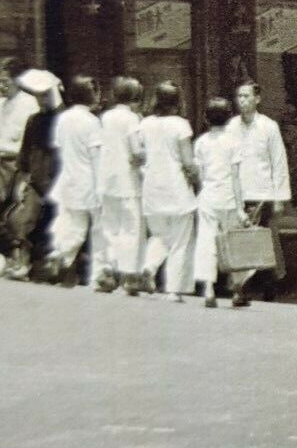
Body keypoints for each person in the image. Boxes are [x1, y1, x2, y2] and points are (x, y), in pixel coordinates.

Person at [226, 81, 290, 299]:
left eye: (246, 96)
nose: (242, 100)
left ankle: (270, 285)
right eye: (239, 96)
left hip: (264, 193)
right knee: (242, 241)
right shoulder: (231, 126)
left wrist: (280, 197)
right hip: (239, 193)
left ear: (257, 99)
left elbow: (278, 162)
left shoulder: (269, 127)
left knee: (267, 241)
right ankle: (241, 287)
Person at [136, 81, 198, 302]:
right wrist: (197, 179)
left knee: (159, 235)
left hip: (152, 188)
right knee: (180, 240)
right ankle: (173, 288)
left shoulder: (145, 124)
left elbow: (139, 155)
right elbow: (188, 162)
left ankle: (149, 267)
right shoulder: (181, 125)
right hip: (177, 188)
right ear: (178, 101)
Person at [45, 75, 102, 286]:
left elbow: (59, 148)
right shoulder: (92, 122)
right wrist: (100, 186)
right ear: (92, 95)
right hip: (86, 180)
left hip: (66, 177)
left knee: (65, 221)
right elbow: (96, 156)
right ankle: (60, 254)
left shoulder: (63, 119)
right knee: (79, 228)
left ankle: (59, 255)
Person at [193, 97, 248, 308]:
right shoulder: (234, 141)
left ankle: (208, 289)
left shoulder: (201, 143)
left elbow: (199, 174)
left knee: (207, 242)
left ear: (206, 118)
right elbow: (235, 177)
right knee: (232, 243)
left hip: (208, 197)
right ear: (229, 118)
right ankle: (236, 289)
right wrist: (240, 206)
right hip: (228, 199)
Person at [6, 70, 59, 280]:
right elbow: (25, 153)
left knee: (51, 226)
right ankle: (23, 262)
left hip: (55, 179)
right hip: (37, 179)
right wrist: (22, 179)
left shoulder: (61, 118)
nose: (41, 100)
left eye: (44, 95)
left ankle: (49, 267)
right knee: (24, 222)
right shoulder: (33, 120)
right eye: (38, 95)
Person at [94, 76, 143, 294]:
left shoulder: (105, 117)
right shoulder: (131, 119)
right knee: (131, 228)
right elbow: (136, 151)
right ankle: (129, 275)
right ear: (134, 97)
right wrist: (144, 155)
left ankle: (108, 271)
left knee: (110, 228)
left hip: (107, 180)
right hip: (128, 181)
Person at [0, 56, 37, 207]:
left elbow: (27, 149)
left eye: (4, 81)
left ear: (18, 81)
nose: (1, 86)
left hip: (14, 167)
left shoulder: (30, 105)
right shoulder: (1, 103)